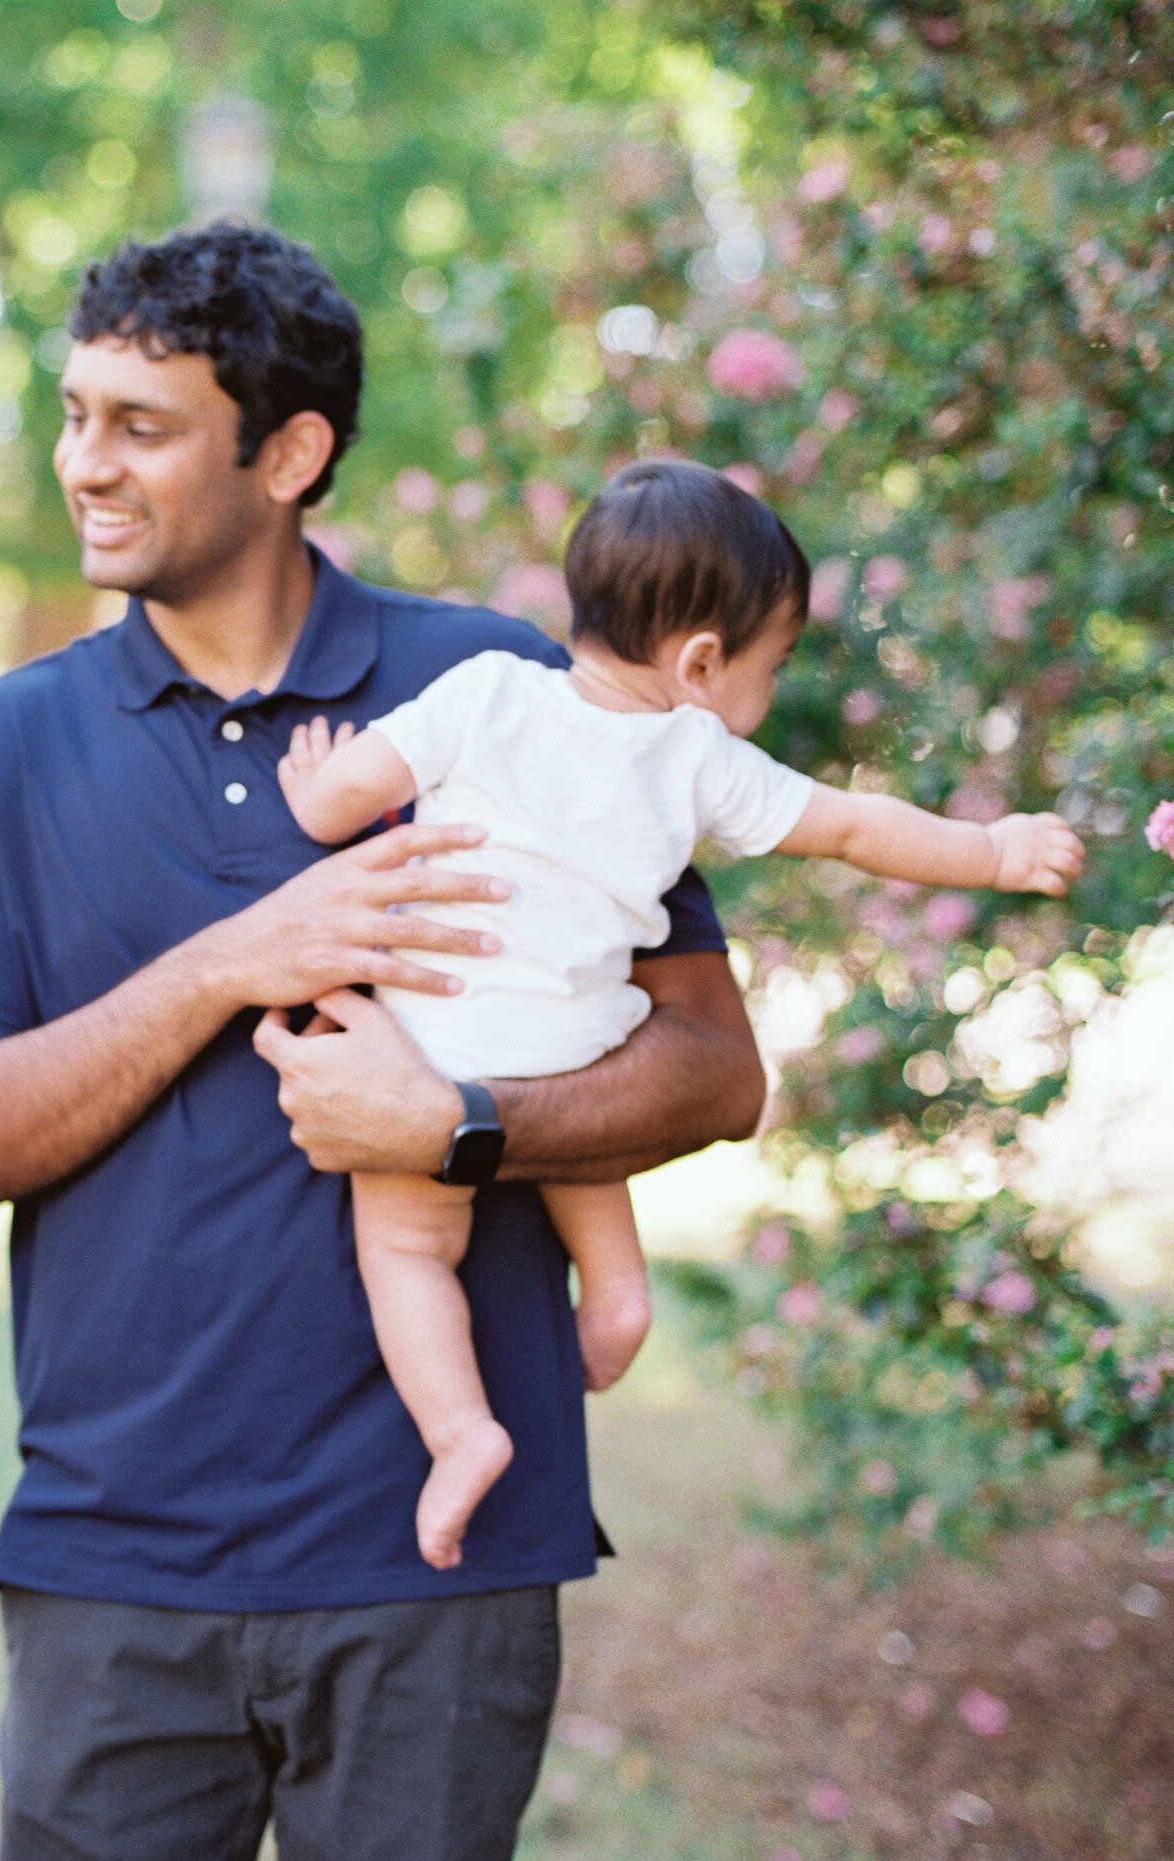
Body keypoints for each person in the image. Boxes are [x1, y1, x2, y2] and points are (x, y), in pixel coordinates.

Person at [0, 222, 767, 1861]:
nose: (84, 464)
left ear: (289, 453)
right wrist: (226, 963)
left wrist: (460, 1129)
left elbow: (717, 1068)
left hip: (433, 1569)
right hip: (109, 1571)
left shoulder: (507, 687)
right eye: (75, 414)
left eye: (138, 426)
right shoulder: (7, 742)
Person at [277, 458, 1086, 1570]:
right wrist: (992, 850)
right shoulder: (699, 759)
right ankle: (614, 1305)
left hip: (435, 1048)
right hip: (574, 1053)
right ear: (701, 663)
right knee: (583, 1147)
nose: (769, 684)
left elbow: (332, 808)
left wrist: (310, 781)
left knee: (408, 1249)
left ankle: (460, 1434)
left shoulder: (483, 690)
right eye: (777, 662)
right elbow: (854, 828)